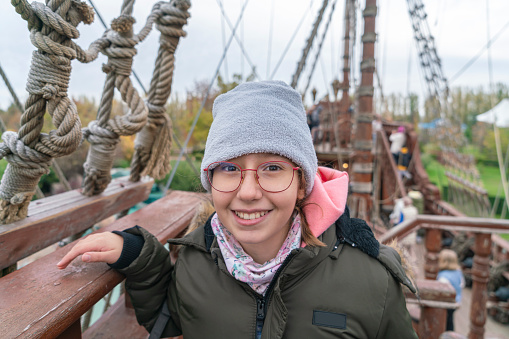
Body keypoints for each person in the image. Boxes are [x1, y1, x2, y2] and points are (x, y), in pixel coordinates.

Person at [57, 81, 417, 338]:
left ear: (303, 183)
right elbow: (173, 322)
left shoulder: (372, 280)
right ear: (209, 179)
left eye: (272, 168)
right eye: (229, 168)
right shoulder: (196, 263)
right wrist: (141, 258)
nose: (247, 193)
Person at [437, 249, 465, 332]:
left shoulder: (443, 277)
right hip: (456, 301)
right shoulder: (458, 272)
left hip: (447, 303)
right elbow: (462, 284)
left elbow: (441, 291)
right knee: (450, 320)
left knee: (445, 321)